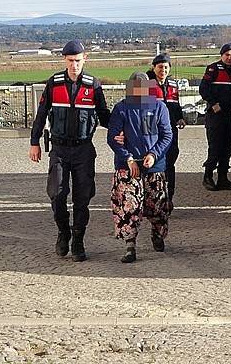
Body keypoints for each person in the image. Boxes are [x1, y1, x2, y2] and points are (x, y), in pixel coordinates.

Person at [29, 40, 110, 262]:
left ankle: (78, 240)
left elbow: (104, 116)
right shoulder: (54, 84)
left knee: (82, 198)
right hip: (60, 149)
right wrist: (34, 142)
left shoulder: (93, 85)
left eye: (78, 60)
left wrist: (123, 130)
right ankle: (63, 232)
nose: (74, 65)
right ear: (64, 60)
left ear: (85, 59)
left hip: (84, 149)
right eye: (70, 61)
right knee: (57, 194)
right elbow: (41, 114)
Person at [108, 72, 173, 263]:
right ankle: (130, 245)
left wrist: (153, 154)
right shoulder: (121, 108)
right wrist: (128, 158)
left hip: (154, 165)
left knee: (157, 206)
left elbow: (166, 136)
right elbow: (113, 138)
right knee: (129, 206)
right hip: (128, 166)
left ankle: (157, 234)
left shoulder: (159, 107)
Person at [199, 43, 231, 191]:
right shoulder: (214, 69)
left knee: (228, 147)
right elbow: (203, 88)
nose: (229, 58)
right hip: (215, 116)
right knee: (215, 148)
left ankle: (223, 178)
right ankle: (208, 176)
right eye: (227, 55)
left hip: (228, 115)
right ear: (221, 55)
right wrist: (213, 103)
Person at [146, 53, 185, 209]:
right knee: (151, 164)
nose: (163, 70)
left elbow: (175, 104)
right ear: (154, 67)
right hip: (151, 132)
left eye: (166, 67)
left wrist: (180, 117)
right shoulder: (144, 83)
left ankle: (168, 198)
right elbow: (135, 109)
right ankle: (149, 198)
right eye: (160, 67)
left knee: (170, 162)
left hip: (169, 131)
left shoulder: (173, 85)